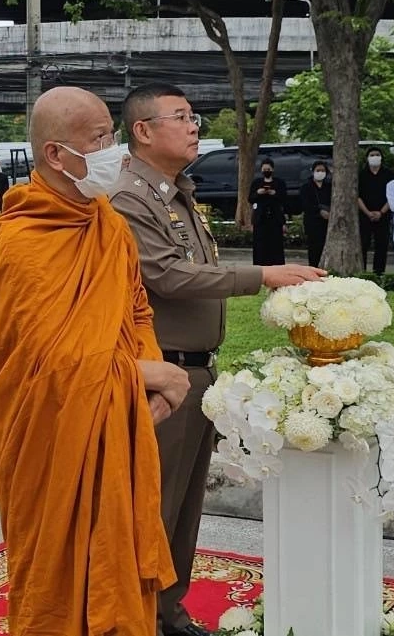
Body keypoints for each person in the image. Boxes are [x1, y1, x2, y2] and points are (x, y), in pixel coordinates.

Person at [111, 83, 324, 636]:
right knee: (154, 507)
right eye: (181, 117)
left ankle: (169, 612)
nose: (193, 127)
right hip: (163, 373)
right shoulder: (130, 198)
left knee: (183, 507)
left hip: (196, 371)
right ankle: (137, 618)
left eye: (193, 117)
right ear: (143, 131)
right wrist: (263, 275)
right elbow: (167, 275)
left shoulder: (175, 193)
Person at [0, 86, 190, 636]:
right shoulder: (20, 239)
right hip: (47, 432)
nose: (113, 150)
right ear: (56, 154)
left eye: (111, 135)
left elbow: (136, 309)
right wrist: (150, 374)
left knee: (119, 566)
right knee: (54, 579)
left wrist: (149, 387)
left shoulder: (107, 224)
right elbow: (49, 363)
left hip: (114, 417)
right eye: (99, 139)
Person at [358, 147, 393, 274]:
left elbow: (393, 196)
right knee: (363, 244)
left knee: (382, 245)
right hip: (364, 215)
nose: (375, 157)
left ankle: (379, 273)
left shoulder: (389, 174)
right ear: (367, 158)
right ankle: (362, 272)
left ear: (381, 157)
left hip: (383, 215)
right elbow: (357, 196)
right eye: (372, 155)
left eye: (377, 154)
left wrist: (381, 212)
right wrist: (368, 213)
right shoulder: (361, 175)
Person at [248, 158, 287, 265]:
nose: (266, 171)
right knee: (260, 245)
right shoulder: (257, 183)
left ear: (272, 169)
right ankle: (260, 266)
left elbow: (284, 199)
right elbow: (250, 199)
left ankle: (277, 266)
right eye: (264, 169)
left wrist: (274, 193)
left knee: (275, 245)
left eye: (268, 169)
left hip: (275, 218)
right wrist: (258, 193)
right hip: (260, 218)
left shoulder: (279, 183)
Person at [299, 161, 332, 268]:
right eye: (318, 170)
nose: (320, 173)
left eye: (323, 170)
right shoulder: (306, 187)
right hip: (313, 223)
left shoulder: (329, 187)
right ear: (313, 171)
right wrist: (319, 212)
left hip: (327, 223)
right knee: (314, 250)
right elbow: (305, 204)